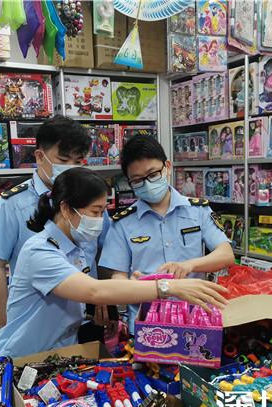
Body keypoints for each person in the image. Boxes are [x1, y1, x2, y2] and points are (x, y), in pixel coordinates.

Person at [0, 167, 228, 358]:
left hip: (60, 353)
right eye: (95, 212)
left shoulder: (75, 247)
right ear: (65, 208)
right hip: (24, 359)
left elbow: (80, 296)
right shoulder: (40, 251)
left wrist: (137, 285)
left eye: (103, 211)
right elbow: (94, 291)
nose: (100, 220)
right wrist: (168, 287)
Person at [98, 136, 235, 331]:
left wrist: (190, 265)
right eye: (137, 180)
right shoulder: (122, 223)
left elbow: (226, 254)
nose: (147, 184)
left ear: (167, 167)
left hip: (193, 321)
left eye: (153, 174)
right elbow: (117, 278)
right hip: (146, 324)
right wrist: (132, 284)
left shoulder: (197, 210)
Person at [0, 115, 98, 328]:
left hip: (88, 319)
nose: (71, 168)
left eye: (78, 161)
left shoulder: (90, 198)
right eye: (63, 161)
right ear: (40, 156)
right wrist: (8, 325)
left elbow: (99, 253)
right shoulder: (14, 203)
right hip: (38, 324)